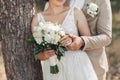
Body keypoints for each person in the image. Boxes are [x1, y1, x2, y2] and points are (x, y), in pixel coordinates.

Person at [31, 0, 98, 80]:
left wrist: (74, 40)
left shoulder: (75, 12)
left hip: (77, 66)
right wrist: (44, 55)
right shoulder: (37, 19)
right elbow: (35, 53)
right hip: (53, 67)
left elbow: (88, 41)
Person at [64, 0, 112, 80]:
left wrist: (82, 41)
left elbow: (106, 37)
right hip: (64, 63)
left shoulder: (102, 1)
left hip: (92, 64)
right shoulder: (60, 1)